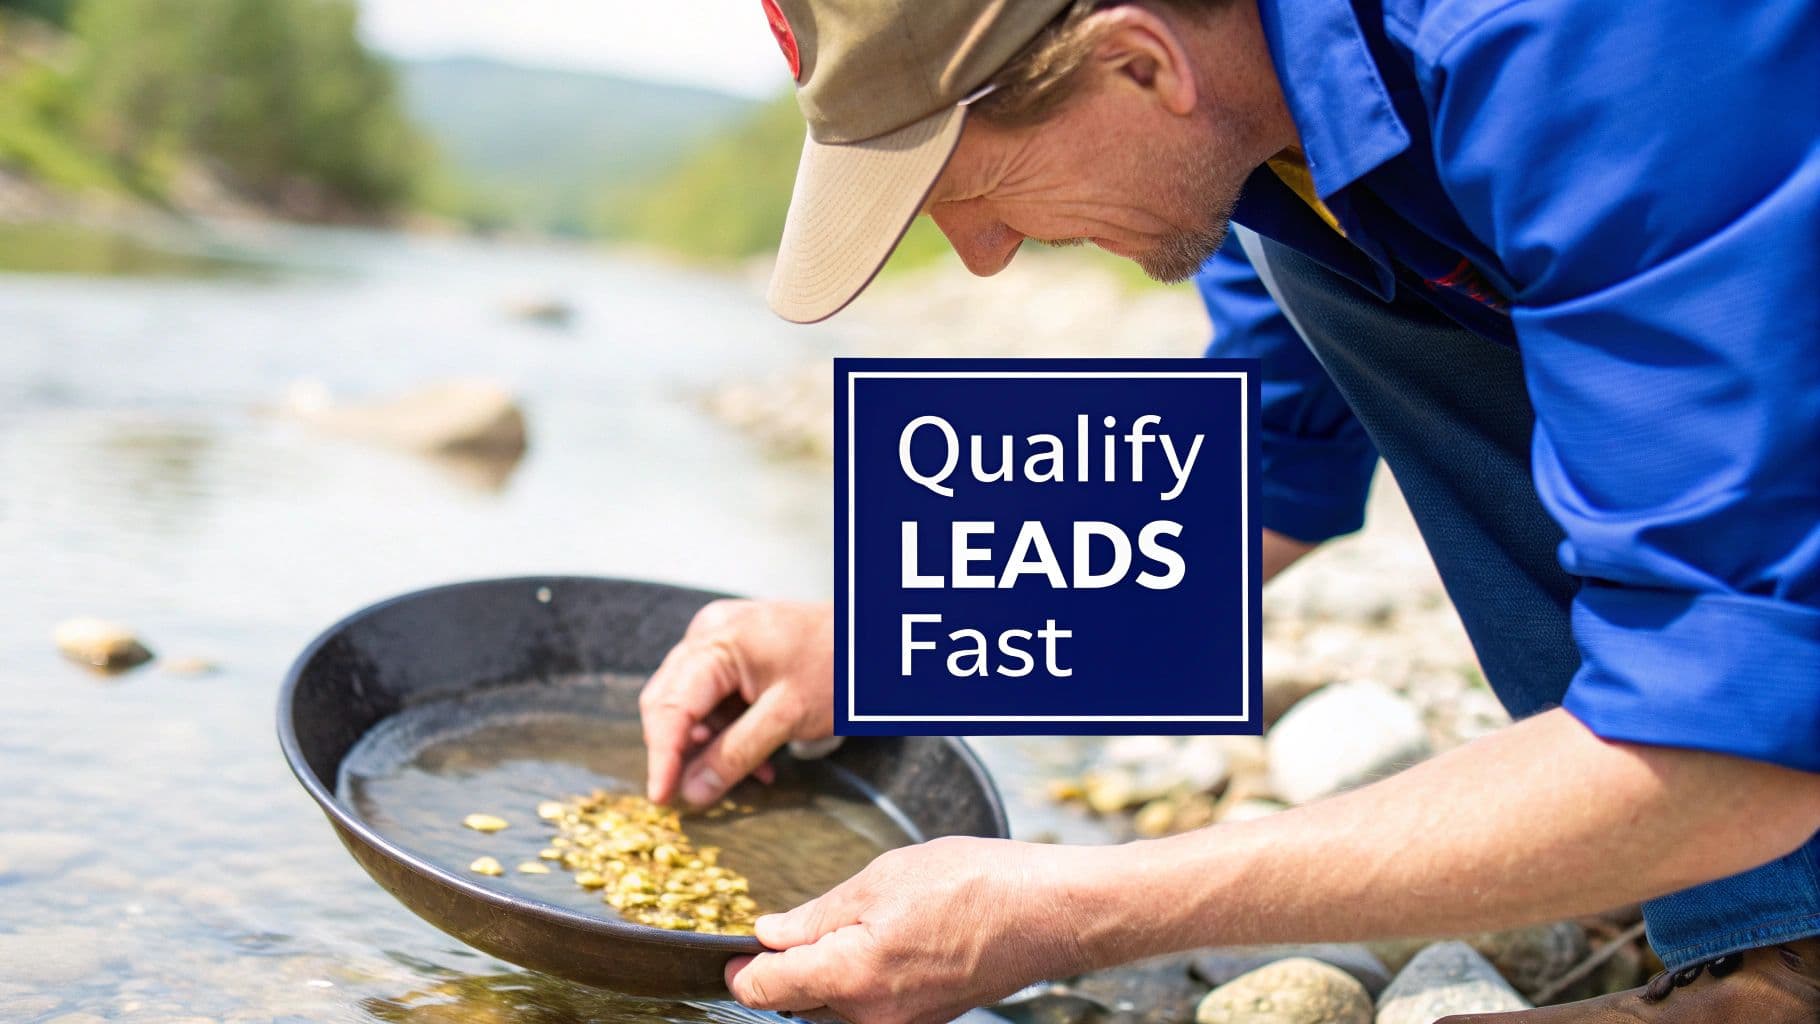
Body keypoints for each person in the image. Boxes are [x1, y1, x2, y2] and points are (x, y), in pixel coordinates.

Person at [639, 1, 1820, 1020]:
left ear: (1142, 62)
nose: (983, 256)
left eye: (979, 187)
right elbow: (1259, 465)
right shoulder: (1264, 119)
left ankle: (1783, 954)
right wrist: (880, 636)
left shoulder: (1570, 47)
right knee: (1326, 270)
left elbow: (1729, 743)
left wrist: (1072, 906)